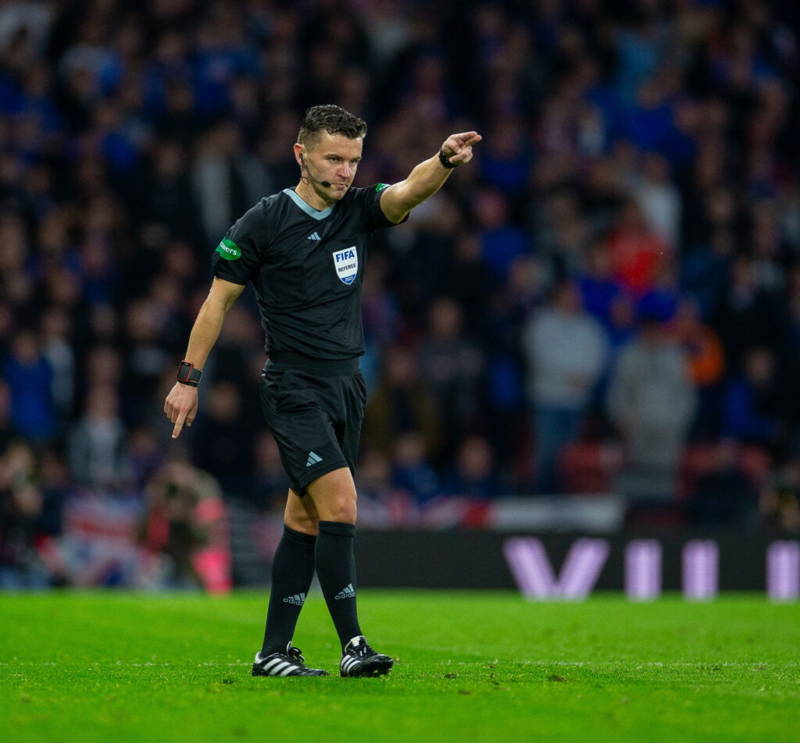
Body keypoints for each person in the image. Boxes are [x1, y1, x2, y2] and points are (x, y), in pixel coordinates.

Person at [163, 105, 481, 677]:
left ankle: (272, 652)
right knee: (342, 504)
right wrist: (189, 379)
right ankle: (354, 644)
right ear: (301, 155)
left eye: (353, 161)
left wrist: (443, 161)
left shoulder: (357, 209)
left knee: (306, 518)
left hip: (347, 386)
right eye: (333, 159)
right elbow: (217, 303)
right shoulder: (262, 222)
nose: (344, 172)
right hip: (293, 386)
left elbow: (408, 192)